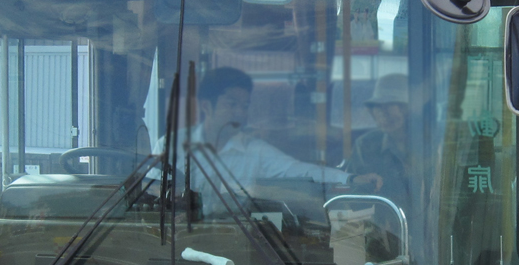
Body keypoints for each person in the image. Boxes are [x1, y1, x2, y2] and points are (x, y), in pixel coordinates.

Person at [159, 66, 378, 201]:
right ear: (207, 106)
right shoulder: (170, 146)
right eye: (232, 104)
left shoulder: (255, 151)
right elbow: (151, 192)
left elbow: (301, 171)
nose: (240, 113)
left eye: (245, 106)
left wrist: (350, 179)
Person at [343, 73, 413, 211]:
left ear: (407, 109)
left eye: (389, 105)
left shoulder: (431, 143)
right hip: (386, 222)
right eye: (377, 107)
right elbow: (354, 197)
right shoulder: (365, 145)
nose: (382, 113)